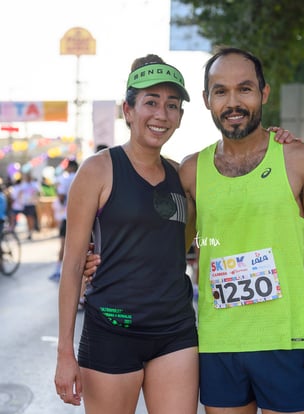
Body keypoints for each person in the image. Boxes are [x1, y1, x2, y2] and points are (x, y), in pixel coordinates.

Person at [84, 47, 304, 414]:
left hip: (287, 340)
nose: (233, 102)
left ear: (263, 93)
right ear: (207, 100)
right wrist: (96, 259)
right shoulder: (190, 171)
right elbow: (166, 238)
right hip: (217, 344)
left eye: (245, 89)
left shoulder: (299, 159)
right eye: (221, 91)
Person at [53, 55, 200, 414]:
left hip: (175, 331)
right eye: (151, 102)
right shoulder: (98, 170)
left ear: (180, 117)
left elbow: (180, 248)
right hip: (112, 330)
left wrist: (274, 139)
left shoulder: (182, 176)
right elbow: (72, 265)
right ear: (128, 110)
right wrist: (64, 353)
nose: (161, 114)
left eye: (172, 105)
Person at [49, 160, 79, 282]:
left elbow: (61, 198)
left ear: (70, 168)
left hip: (68, 216)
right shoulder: (84, 176)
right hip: (83, 216)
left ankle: (58, 271)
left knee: (63, 245)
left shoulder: (65, 179)